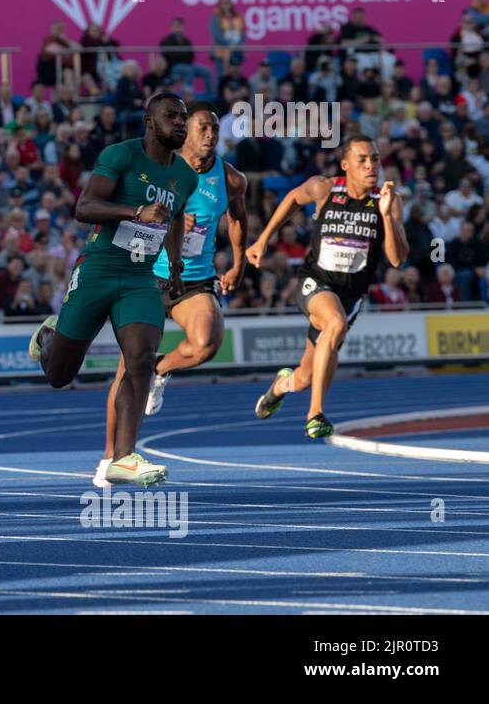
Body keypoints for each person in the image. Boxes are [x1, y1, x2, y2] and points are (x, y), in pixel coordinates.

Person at [29, 93, 196, 487]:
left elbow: (173, 220)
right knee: (58, 375)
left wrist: (174, 264)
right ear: (149, 122)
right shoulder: (120, 155)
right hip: (99, 269)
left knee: (140, 358)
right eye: (171, 116)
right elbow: (85, 207)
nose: (181, 123)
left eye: (184, 117)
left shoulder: (186, 176)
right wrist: (135, 212)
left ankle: (122, 457)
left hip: (139, 278)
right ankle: (48, 334)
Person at [97, 102, 247, 487]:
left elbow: (238, 221)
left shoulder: (230, 179)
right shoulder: (161, 170)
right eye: (203, 127)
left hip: (193, 279)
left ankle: (161, 370)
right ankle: (109, 457)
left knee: (207, 344)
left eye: (214, 127)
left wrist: (238, 264)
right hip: (146, 274)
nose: (210, 134)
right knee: (128, 373)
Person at [247, 136, 409, 438]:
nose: (370, 165)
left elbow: (397, 259)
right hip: (315, 282)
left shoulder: (388, 200)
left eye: (374, 158)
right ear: (346, 165)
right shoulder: (325, 187)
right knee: (334, 323)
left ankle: (280, 385)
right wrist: (263, 239)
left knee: (305, 377)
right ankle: (315, 414)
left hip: (350, 297)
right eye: (361, 159)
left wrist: (386, 215)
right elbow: (294, 198)